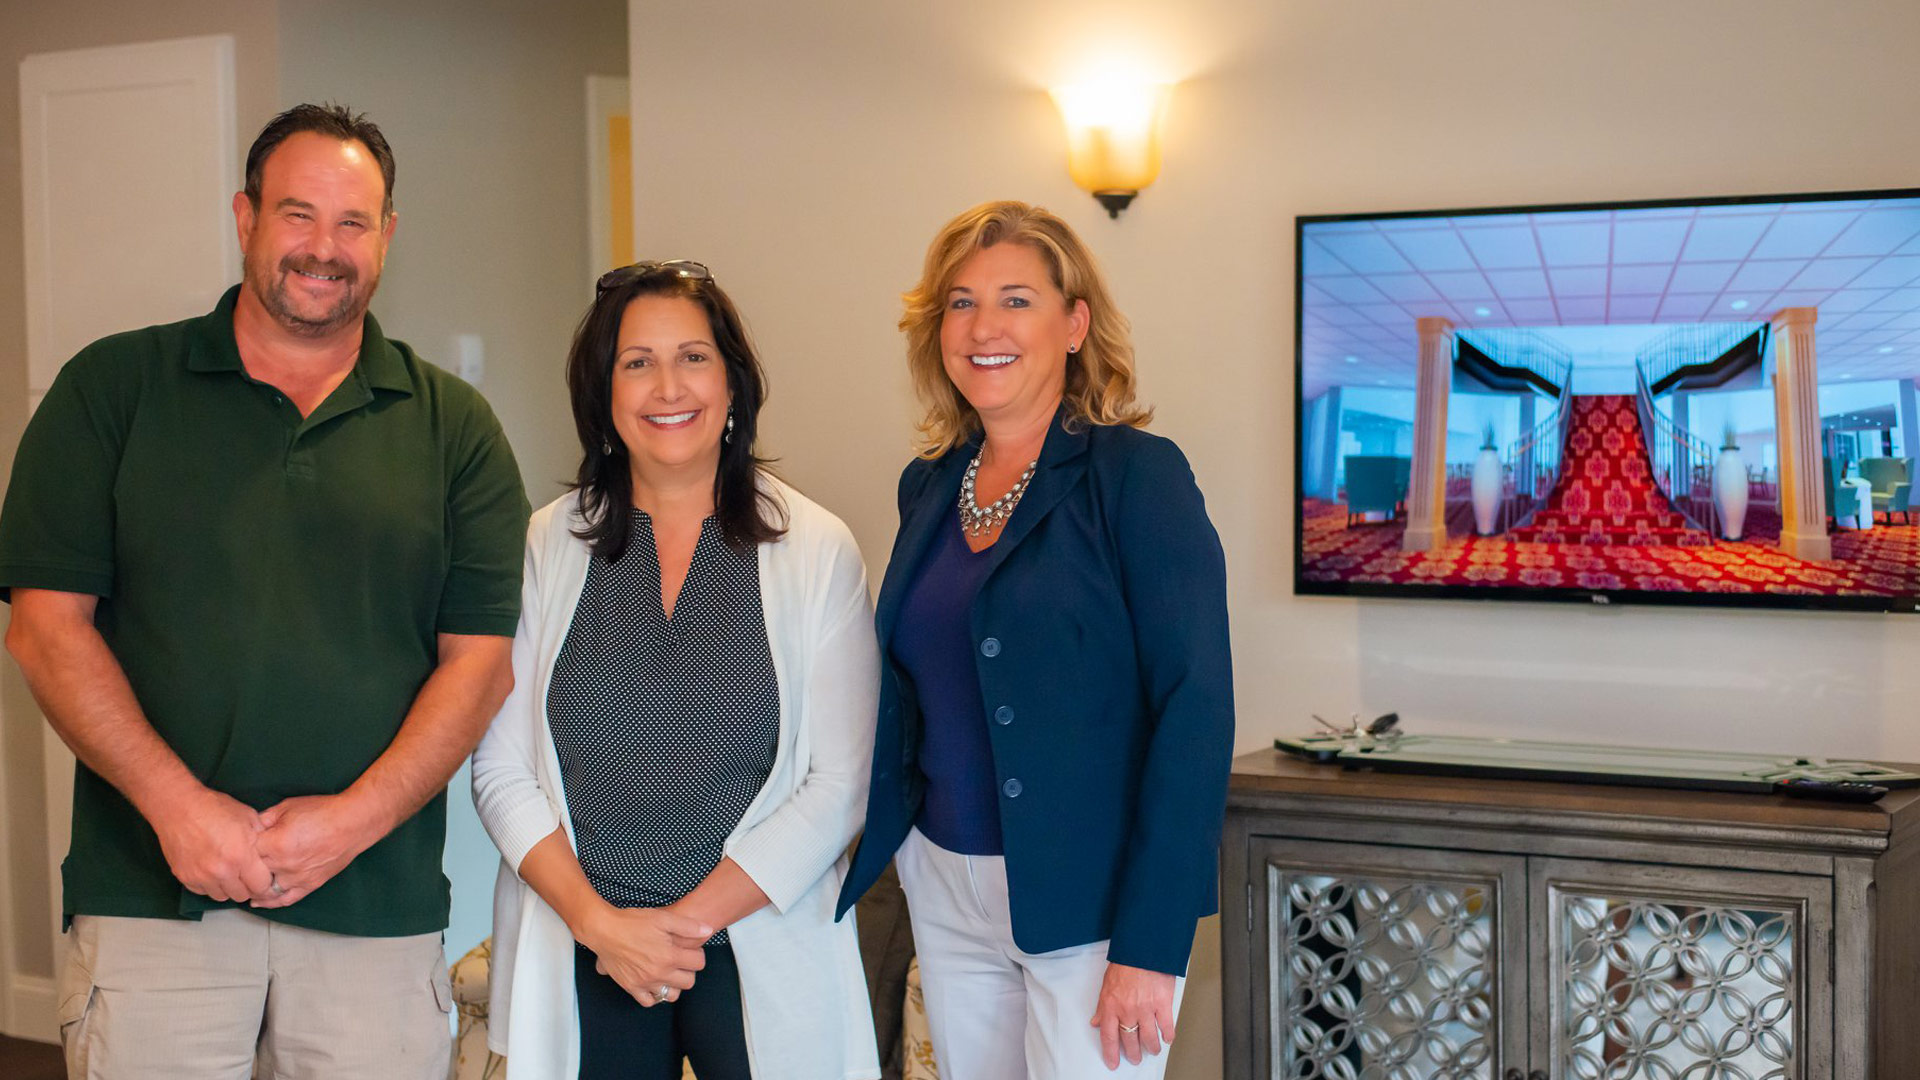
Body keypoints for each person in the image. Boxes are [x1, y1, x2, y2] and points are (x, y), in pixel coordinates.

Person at [0, 103, 529, 1078]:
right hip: (153, 899)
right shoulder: (112, 391)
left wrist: (353, 822)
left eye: (352, 223)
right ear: (244, 218)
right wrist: (178, 809)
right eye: (297, 215)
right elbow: (44, 628)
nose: (323, 249)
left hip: (375, 911)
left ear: (388, 237)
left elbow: (481, 665)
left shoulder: (455, 427)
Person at [835, 201, 1235, 1079]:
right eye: (961, 303)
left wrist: (1153, 944)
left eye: (1016, 300)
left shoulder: (1138, 478)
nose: (985, 327)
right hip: (944, 885)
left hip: (1091, 905)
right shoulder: (928, 487)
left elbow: (1195, 710)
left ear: (1074, 322)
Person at [471, 260, 882, 1080]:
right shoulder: (548, 544)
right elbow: (500, 767)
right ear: (604, 393)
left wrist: (681, 929)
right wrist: (604, 926)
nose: (668, 385)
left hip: (753, 938)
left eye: (693, 356)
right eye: (637, 361)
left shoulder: (814, 548)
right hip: (586, 941)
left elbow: (842, 784)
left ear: (732, 383)